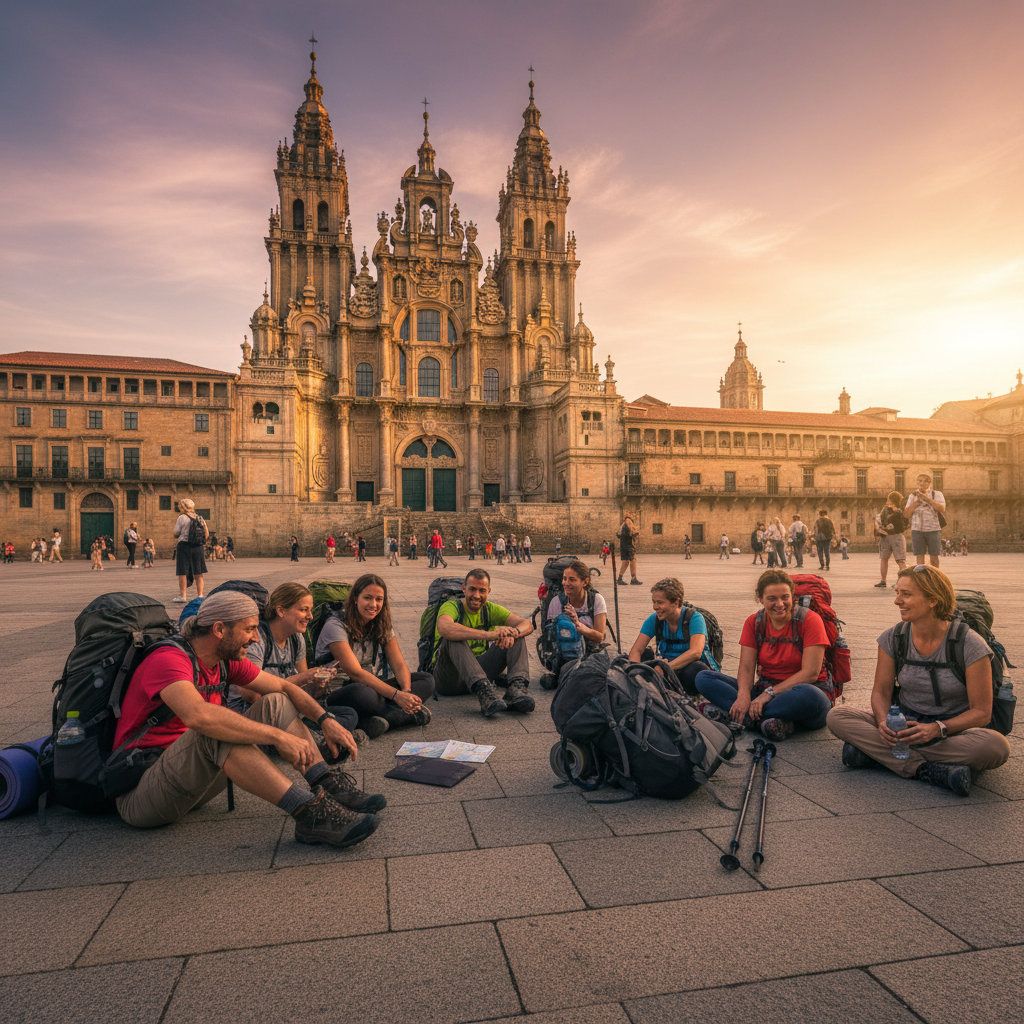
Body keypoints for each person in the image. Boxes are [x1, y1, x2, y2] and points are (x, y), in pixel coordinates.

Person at [112, 591, 383, 847]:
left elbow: (286, 688)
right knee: (215, 729)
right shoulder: (169, 659)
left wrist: (326, 720)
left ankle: (326, 782)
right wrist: (278, 737)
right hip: (143, 794)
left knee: (275, 701)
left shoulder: (224, 659)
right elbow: (199, 716)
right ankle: (309, 813)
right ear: (219, 630)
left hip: (188, 781)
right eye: (249, 629)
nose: (256, 638)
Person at [827, 566, 1010, 795]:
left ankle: (876, 756)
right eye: (897, 592)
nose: (897, 601)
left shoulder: (969, 644)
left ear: (933, 600)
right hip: (904, 727)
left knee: (996, 747)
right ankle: (927, 770)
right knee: (837, 716)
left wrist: (936, 729)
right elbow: (881, 693)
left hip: (951, 732)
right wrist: (884, 724)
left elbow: (982, 712)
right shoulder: (893, 637)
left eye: (906, 594)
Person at [695, 569, 833, 742]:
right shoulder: (754, 622)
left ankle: (741, 716)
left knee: (808, 694)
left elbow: (810, 673)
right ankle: (769, 721)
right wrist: (744, 695)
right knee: (703, 677)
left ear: (793, 596)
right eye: (772, 599)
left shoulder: (810, 620)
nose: (780, 604)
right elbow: (746, 667)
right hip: (763, 691)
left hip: (805, 695)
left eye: (785, 597)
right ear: (760, 599)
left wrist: (768, 694)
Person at [316, 573, 435, 738]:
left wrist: (406, 692)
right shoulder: (335, 625)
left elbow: (399, 664)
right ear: (356, 599)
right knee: (364, 693)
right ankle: (397, 717)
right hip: (341, 691)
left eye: (379, 599)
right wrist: (396, 695)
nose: (373, 604)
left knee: (426, 680)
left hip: (373, 686)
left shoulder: (381, 623)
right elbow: (355, 672)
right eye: (367, 598)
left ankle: (375, 718)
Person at [431, 568, 536, 716]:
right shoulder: (452, 606)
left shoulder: (489, 609)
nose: (477, 595)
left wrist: (513, 633)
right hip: (449, 679)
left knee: (515, 635)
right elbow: (444, 627)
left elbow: (527, 624)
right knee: (454, 636)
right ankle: (485, 693)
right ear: (464, 589)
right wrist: (487, 635)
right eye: (472, 589)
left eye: (482, 591)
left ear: (488, 591)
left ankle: (516, 690)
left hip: (480, 671)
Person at [628, 577, 718, 695]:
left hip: (690, 671)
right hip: (667, 667)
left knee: (697, 669)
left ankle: (694, 698)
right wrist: (636, 675)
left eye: (660, 602)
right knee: (642, 657)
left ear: (675, 603)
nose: (655, 607)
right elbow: (636, 650)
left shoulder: (695, 618)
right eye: (653, 601)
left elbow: (696, 652)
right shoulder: (654, 620)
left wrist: (666, 668)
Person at [544, 560, 608, 681]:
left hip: (590, 654)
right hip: (564, 656)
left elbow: (599, 637)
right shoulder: (557, 602)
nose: (566, 583)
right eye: (564, 579)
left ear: (585, 582)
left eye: (572, 579)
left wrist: (577, 624)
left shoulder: (596, 600)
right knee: (563, 622)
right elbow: (550, 639)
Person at [905, 474, 946, 567]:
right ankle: (921, 578)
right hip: (917, 529)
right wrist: (915, 504)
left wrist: (926, 499)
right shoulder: (912, 496)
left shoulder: (937, 494)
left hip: (934, 529)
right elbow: (906, 514)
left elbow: (942, 508)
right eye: (919, 481)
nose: (922, 483)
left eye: (925, 481)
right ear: (917, 482)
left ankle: (935, 578)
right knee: (919, 557)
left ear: (929, 483)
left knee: (934, 556)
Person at [173, 499, 208, 603]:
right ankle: (200, 595)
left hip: (184, 546)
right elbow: (207, 533)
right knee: (199, 571)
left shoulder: (181, 517)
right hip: (198, 547)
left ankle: (183, 596)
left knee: (182, 571)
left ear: (183, 507)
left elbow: (176, 533)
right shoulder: (200, 518)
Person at [875, 490, 908, 588]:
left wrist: (878, 533)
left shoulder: (884, 510)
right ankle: (904, 582)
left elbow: (880, 521)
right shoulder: (900, 510)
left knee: (884, 558)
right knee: (900, 561)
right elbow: (904, 525)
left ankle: (883, 580)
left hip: (885, 536)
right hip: (897, 536)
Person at [617, 515, 641, 585]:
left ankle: (620, 578)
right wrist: (635, 532)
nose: (635, 517)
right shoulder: (628, 522)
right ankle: (633, 579)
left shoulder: (623, 524)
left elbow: (619, 534)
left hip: (624, 546)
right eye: (634, 516)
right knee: (632, 560)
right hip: (628, 546)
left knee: (626, 561)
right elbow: (631, 533)